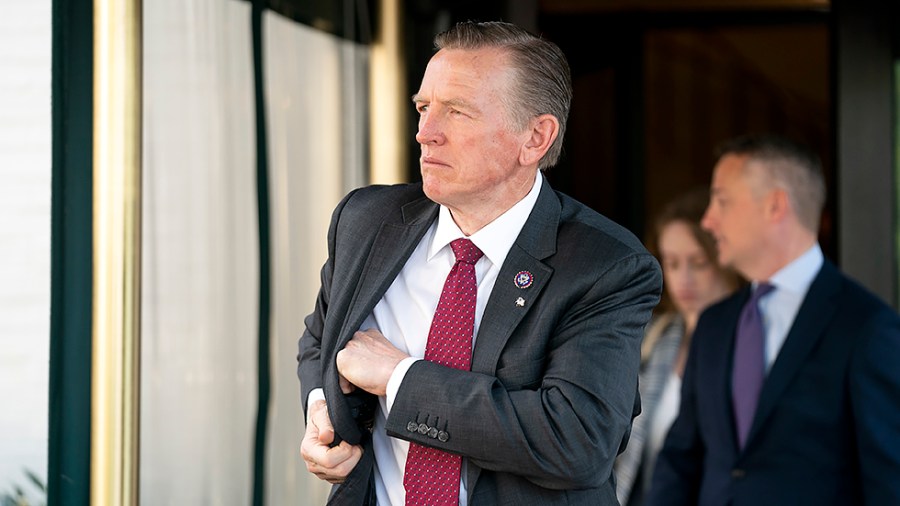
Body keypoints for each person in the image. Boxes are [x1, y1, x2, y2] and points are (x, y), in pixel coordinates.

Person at [297, 21, 662, 505]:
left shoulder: (606, 265)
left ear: (535, 137)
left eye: (458, 112)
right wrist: (322, 410)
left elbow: (577, 441)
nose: (425, 133)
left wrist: (400, 378)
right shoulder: (365, 220)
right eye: (424, 108)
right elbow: (323, 340)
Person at [646, 134, 900, 506]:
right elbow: (681, 462)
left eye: (722, 200)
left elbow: (889, 484)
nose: (709, 219)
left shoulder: (867, 328)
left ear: (775, 206)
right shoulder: (714, 325)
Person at [614, 190, 740, 506]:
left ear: (724, 258)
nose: (684, 278)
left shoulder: (750, 341)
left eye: (698, 263)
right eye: (671, 263)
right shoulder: (652, 338)